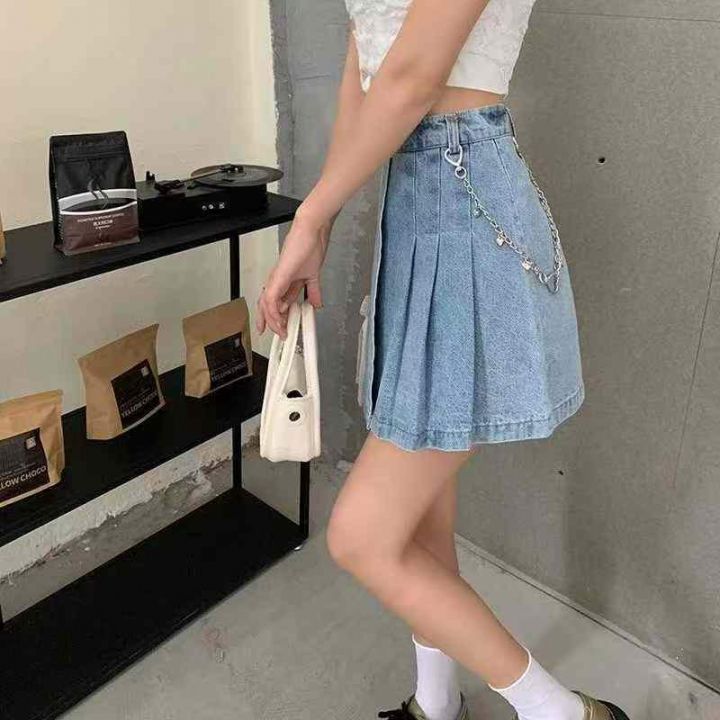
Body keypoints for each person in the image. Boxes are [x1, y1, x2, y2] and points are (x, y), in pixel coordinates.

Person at [256, 1, 630, 719]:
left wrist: (312, 216)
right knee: (422, 512)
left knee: (362, 536)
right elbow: (366, 64)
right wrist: (324, 218)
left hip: (465, 197)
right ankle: (436, 702)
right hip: (411, 200)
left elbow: (412, 75)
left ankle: (564, 713)